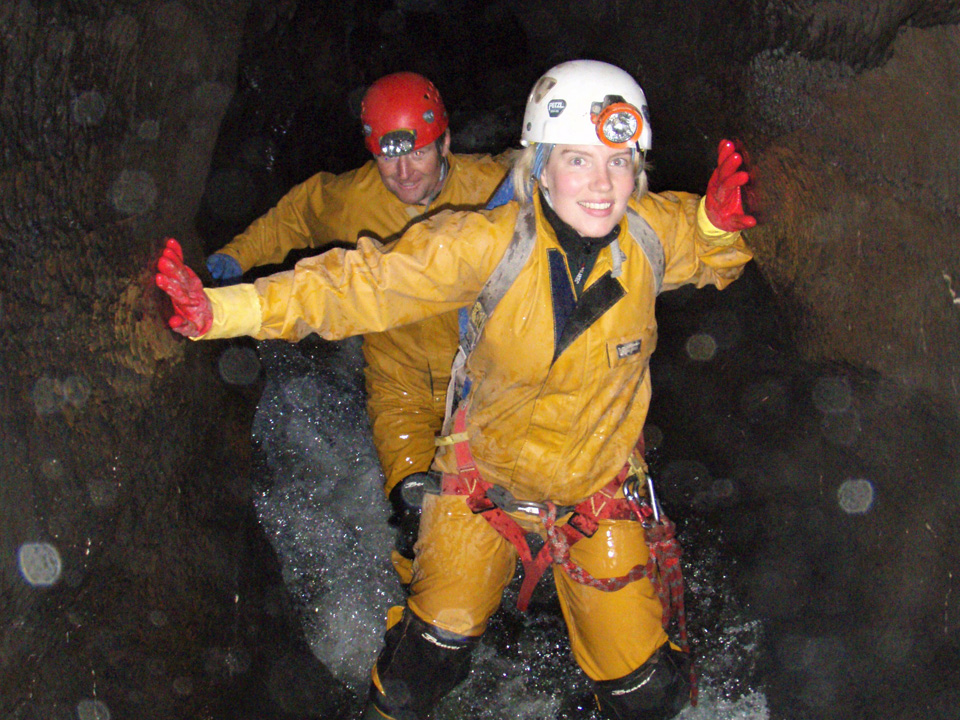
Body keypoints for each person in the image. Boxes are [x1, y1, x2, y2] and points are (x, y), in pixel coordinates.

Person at [156, 59, 755, 720]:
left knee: (648, 693)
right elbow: (360, 284)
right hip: (483, 487)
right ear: (542, 166)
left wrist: (720, 225)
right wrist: (224, 309)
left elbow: (709, 247)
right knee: (427, 661)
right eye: (578, 162)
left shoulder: (650, 233)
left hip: (594, 490)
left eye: (617, 163)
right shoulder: (484, 242)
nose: (601, 185)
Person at [205, 71, 510, 579]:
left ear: (447, 144)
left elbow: (566, 187)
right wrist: (236, 257)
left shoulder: (495, 189)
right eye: (389, 156)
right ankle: (418, 632)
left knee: (511, 514)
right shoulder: (353, 201)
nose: (405, 171)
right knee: (419, 525)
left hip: (488, 383)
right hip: (403, 388)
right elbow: (296, 217)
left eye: (419, 153)